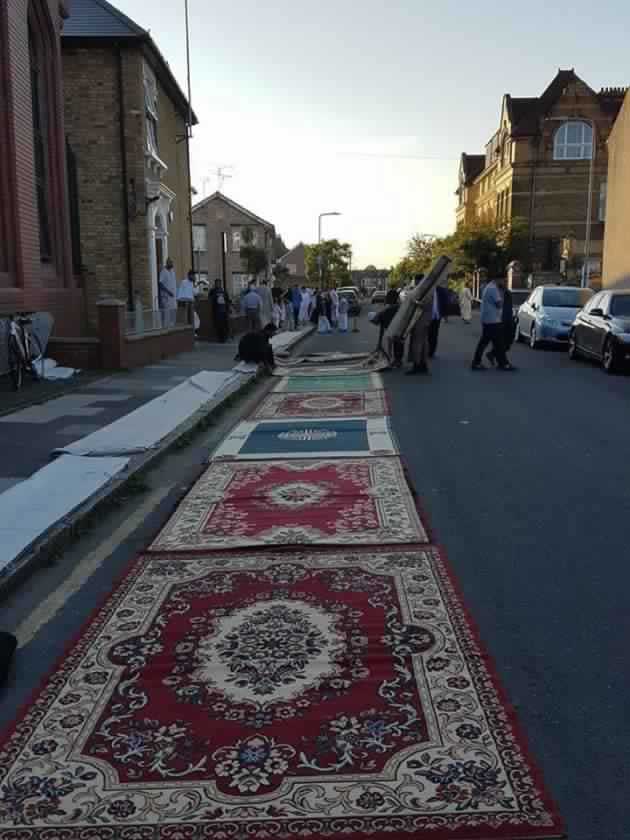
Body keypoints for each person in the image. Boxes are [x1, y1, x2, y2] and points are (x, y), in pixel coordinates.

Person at [471, 278, 517, 371]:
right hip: (492, 320)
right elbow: (499, 304)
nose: (504, 283)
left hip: (489, 320)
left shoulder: (489, 287)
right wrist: (502, 295)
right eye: (504, 281)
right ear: (498, 280)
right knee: (497, 342)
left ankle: (499, 363)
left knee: (491, 342)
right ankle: (503, 363)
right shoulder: (493, 289)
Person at [487, 280, 516, 365]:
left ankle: (493, 355)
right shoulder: (499, 294)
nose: (505, 283)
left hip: (506, 320)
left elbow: (508, 308)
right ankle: (500, 361)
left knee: (506, 342)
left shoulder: (506, 293)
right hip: (501, 321)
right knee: (503, 342)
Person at [428, 284, 450, 358]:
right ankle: (427, 350)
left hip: (437, 316)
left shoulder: (441, 290)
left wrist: (444, 313)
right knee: (428, 334)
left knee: (434, 334)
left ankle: (431, 351)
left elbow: (446, 301)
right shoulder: (426, 289)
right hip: (427, 316)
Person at [158, 257, 177, 327]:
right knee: (167, 315)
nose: (172, 264)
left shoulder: (172, 271)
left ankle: (172, 327)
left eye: (172, 262)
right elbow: (160, 284)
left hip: (173, 298)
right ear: (167, 263)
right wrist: (168, 292)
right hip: (166, 298)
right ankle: (166, 328)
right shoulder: (163, 272)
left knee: (173, 314)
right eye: (171, 262)